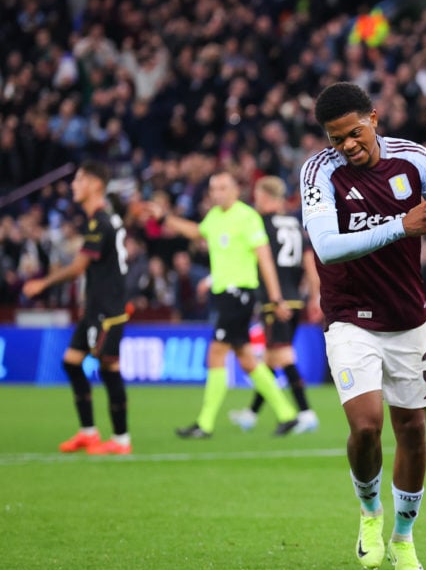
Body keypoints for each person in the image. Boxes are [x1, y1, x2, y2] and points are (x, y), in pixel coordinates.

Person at [301, 82, 426, 570]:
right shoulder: (319, 172)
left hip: (407, 317)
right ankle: (370, 512)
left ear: (374, 118)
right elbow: (326, 246)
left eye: (354, 132)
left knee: (413, 430)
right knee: (366, 425)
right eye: (336, 137)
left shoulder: (414, 159)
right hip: (349, 316)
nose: (347, 145)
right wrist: (401, 227)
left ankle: (404, 537)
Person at [151, 171, 300, 438]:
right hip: (224, 294)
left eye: (222, 188)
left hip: (240, 294)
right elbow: (197, 232)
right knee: (245, 359)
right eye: (213, 189)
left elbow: (264, 258)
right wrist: (166, 218)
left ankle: (204, 424)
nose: (217, 193)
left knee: (216, 353)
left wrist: (276, 298)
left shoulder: (247, 217)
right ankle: (288, 414)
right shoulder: (215, 217)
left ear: (235, 190)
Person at [23, 161, 132, 455]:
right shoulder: (102, 219)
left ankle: (121, 440)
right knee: (71, 362)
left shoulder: (100, 221)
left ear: (96, 184)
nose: (74, 185)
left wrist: (42, 283)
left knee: (109, 367)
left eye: (80, 180)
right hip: (96, 308)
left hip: (108, 310)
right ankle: (88, 432)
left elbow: (78, 267)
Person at [228, 175, 321, 435]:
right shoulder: (294, 223)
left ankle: (305, 412)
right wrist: (315, 296)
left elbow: (262, 260)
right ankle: (251, 413)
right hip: (295, 297)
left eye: (257, 196)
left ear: (266, 197)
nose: (255, 201)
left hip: (275, 298)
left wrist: (275, 298)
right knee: (270, 358)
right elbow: (309, 263)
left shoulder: (260, 224)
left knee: (282, 355)